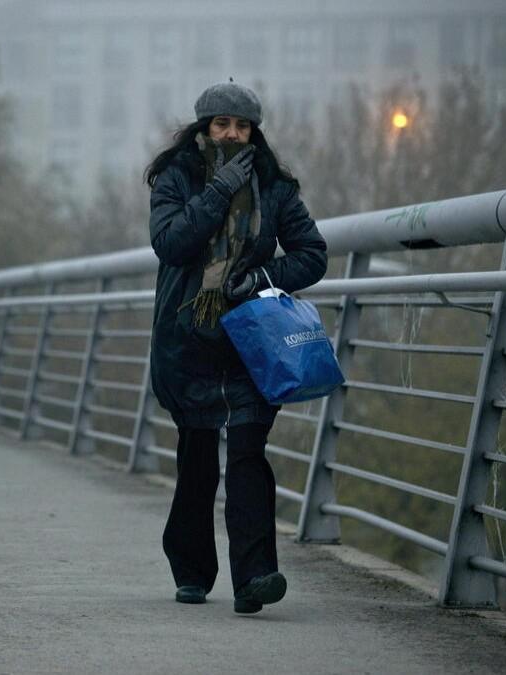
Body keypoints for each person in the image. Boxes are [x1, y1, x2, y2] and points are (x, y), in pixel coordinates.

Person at [143, 81, 327, 614]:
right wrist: (220, 190)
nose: (232, 134)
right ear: (203, 128)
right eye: (221, 124)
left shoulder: (273, 186)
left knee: (248, 456)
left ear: (255, 132)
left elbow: (312, 253)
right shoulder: (176, 178)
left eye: (242, 126)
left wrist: (264, 275)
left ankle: (255, 578)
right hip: (190, 342)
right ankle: (192, 571)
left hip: (251, 343)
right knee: (198, 461)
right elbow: (171, 242)